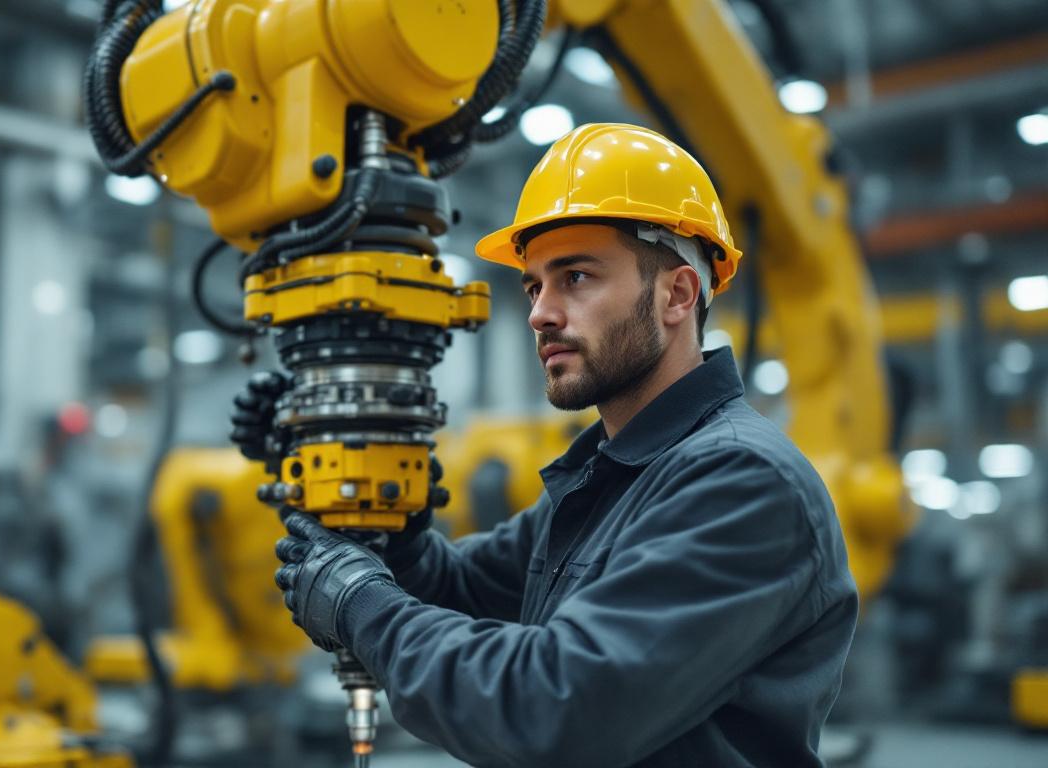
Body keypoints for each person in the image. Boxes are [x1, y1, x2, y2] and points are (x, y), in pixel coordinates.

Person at [239, 123, 858, 767]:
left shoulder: (741, 482)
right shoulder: (612, 476)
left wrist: (361, 603)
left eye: (577, 277)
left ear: (677, 294)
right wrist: (381, 525)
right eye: (535, 285)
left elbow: (558, 709)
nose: (540, 312)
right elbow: (461, 587)